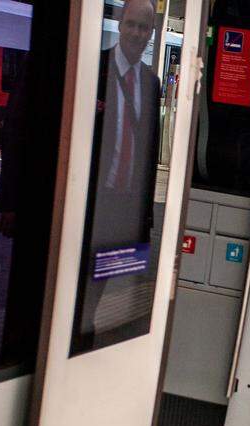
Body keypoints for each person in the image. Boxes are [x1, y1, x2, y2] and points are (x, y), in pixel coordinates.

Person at [73, 0, 162, 349]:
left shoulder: (151, 84)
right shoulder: (93, 69)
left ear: (151, 33)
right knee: (76, 281)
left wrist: (144, 219)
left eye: (144, 27)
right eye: (132, 24)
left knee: (100, 285)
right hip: (90, 202)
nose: (137, 34)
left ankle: (83, 339)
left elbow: (149, 154)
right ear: (119, 25)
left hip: (123, 208)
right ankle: (76, 340)